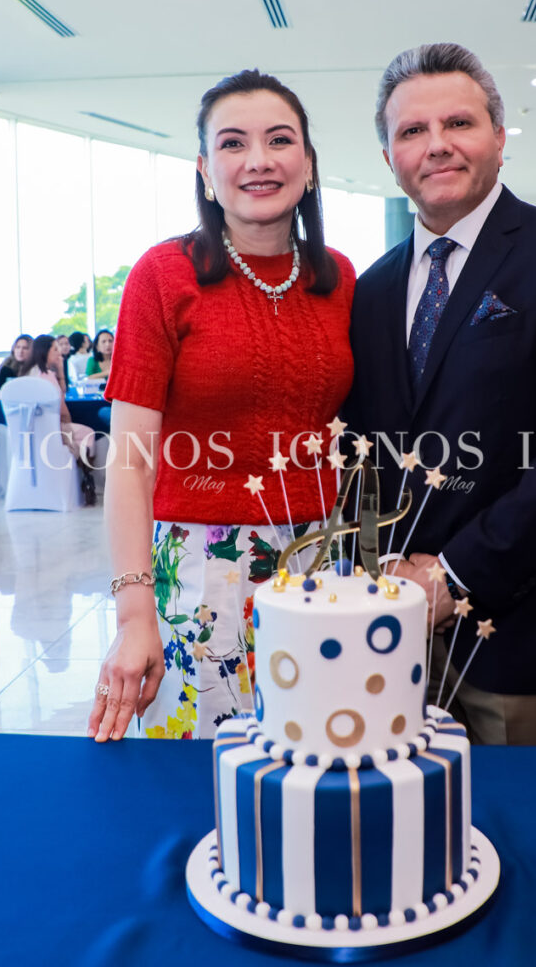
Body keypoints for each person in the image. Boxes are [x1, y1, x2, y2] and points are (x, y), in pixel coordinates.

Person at [345, 43, 536, 746]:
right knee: (412, 838)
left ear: (500, 139)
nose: (436, 145)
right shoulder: (372, 288)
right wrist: (383, 567)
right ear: (390, 155)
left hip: (526, 629)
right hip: (394, 637)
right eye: (412, 131)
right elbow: (369, 446)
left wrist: (453, 574)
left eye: (459, 123)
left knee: (533, 842)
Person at [88, 69, 356, 743]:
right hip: (201, 571)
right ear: (206, 170)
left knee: (316, 764)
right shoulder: (164, 274)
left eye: (280, 139)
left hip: (320, 564)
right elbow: (129, 461)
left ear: (309, 164)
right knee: (202, 772)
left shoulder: (342, 279)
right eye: (233, 144)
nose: (259, 160)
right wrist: (133, 611)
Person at [22, 334, 97, 502]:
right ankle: (85, 478)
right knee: (88, 433)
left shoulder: (27, 374)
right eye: (55, 349)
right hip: (52, 431)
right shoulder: (47, 375)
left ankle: (82, 476)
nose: (60, 353)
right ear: (44, 352)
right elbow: (62, 408)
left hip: (27, 433)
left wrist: (61, 369)